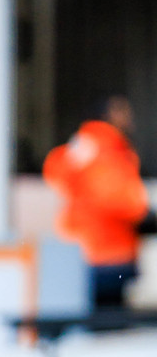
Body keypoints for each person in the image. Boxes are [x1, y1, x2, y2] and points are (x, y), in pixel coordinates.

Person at [43, 95, 153, 309]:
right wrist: (144, 213)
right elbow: (118, 199)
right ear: (108, 115)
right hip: (110, 253)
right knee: (108, 327)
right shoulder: (107, 150)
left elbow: (55, 170)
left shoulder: (83, 144)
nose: (129, 118)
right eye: (123, 112)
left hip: (81, 250)